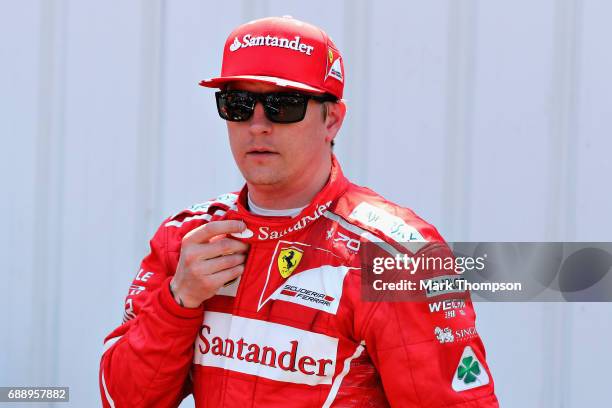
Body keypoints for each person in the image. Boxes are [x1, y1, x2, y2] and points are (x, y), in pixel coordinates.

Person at [99, 16, 499, 407]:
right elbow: (123, 398)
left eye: (283, 105)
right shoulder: (186, 240)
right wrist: (178, 300)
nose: (257, 125)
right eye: (237, 104)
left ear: (333, 120)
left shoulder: (399, 258)